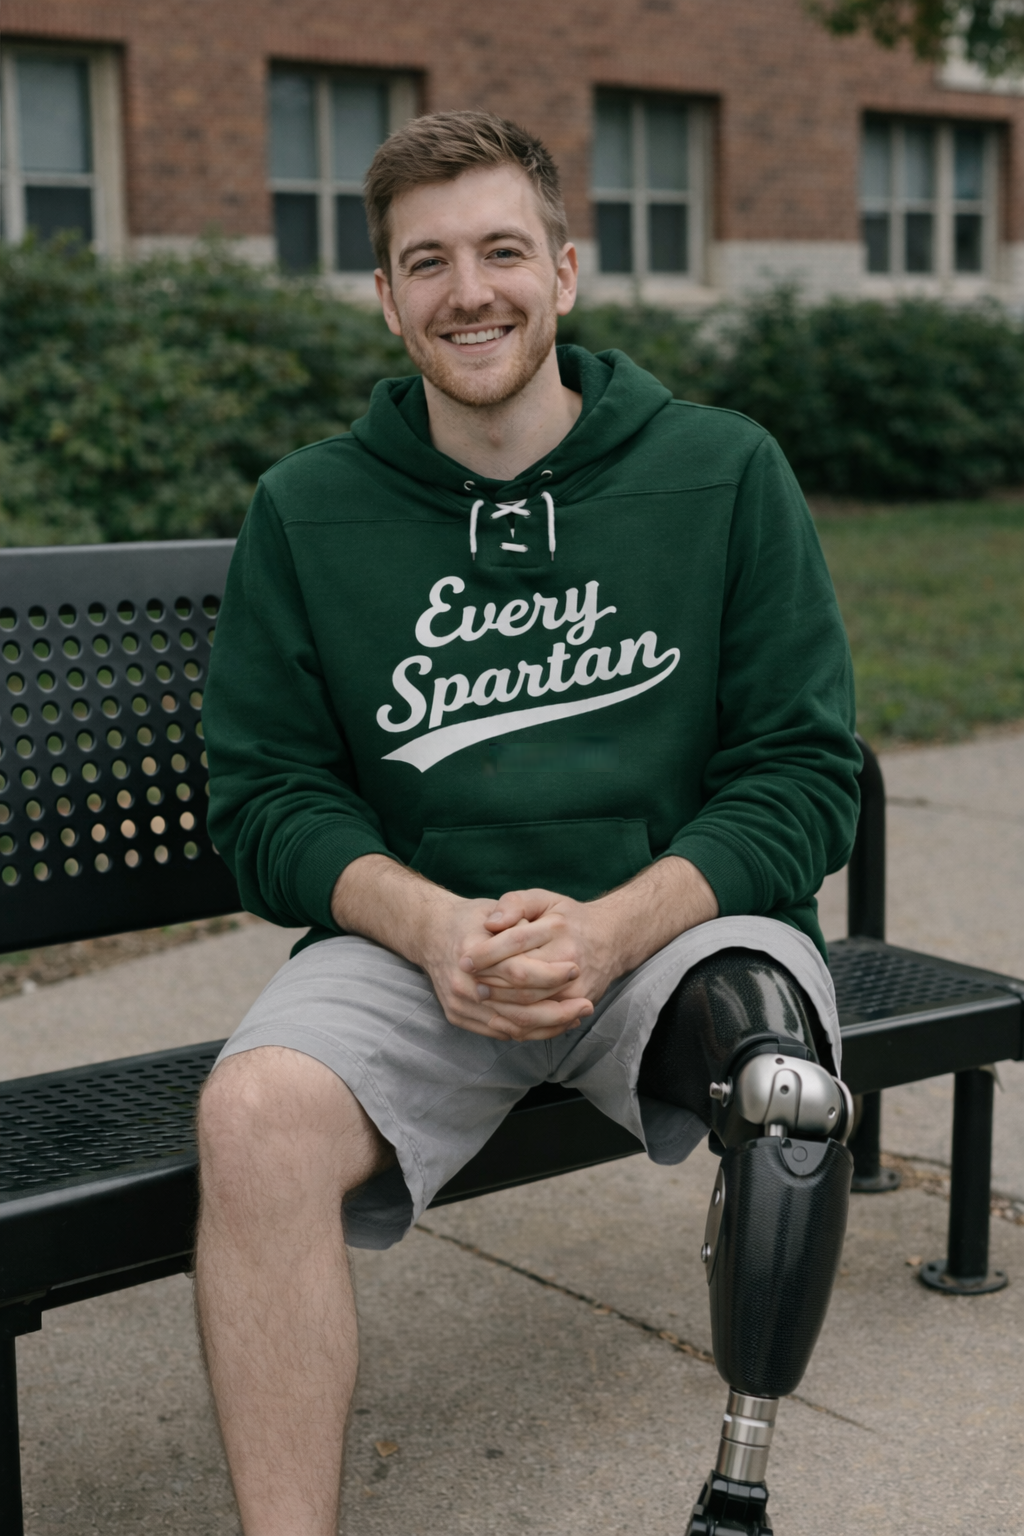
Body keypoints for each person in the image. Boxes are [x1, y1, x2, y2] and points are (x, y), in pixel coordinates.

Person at [197, 110, 861, 1536]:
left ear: (565, 271)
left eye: (503, 249)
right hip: (419, 946)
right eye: (424, 262)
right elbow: (265, 803)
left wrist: (619, 921)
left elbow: (804, 774)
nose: (468, 290)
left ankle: (737, 1492)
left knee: (787, 1089)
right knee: (252, 1117)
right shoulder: (307, 510)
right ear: (385, 298)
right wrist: (429, 922)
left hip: (668, 929)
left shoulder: (725, 469)